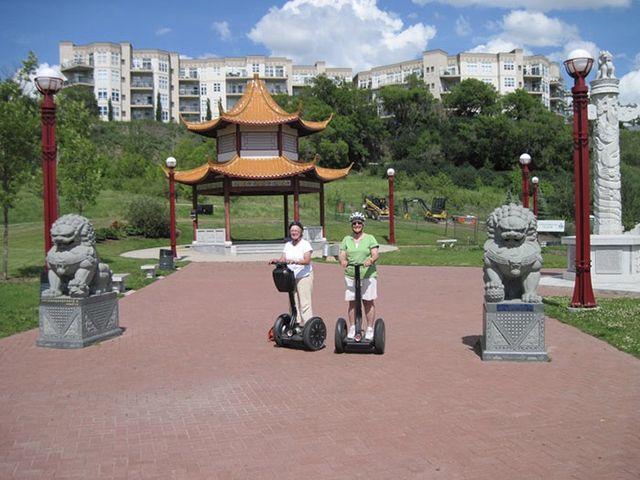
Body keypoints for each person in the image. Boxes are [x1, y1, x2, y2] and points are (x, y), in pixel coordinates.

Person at [339, 212, 380, 340]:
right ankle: (353, 327)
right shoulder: (347, 239)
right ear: (352, 225)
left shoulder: (370, 238)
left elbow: (375, 253)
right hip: (351, 274)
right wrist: (343, 260)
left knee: (368, 301)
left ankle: (369, 329)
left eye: (359, 223)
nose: (357, 225)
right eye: (354, 223)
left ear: (363, 225)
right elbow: (342, 253)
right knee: (352, 302)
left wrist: (371, 260)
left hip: (367, 274)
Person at [271, 221, 314, 327]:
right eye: (292, 231)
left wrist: (295, 261)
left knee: (304, 302)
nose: (294, 232)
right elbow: (283, 259)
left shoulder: (305, 244)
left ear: (301, 232)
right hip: (291, 276)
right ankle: (296, 324)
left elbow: (307, 260)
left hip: (304, 276)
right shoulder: (288, 245)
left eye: (296, 230)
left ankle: (308, 325)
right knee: (293, 302)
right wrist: (276, 261)